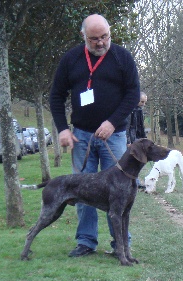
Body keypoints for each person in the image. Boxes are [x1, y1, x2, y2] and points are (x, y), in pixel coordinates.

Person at [49, 14, 140, 257]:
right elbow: (56, 96)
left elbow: (133, 95)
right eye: (94, 39)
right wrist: (63, 129)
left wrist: (112, 122)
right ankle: (86, 242)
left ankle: (120, 246)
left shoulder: (122, 57)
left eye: (104, 37)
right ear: (83, 37)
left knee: (119, 193)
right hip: (81, 137)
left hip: (115, 136)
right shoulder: (71, 59)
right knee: (81, 190)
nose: (100, 43)